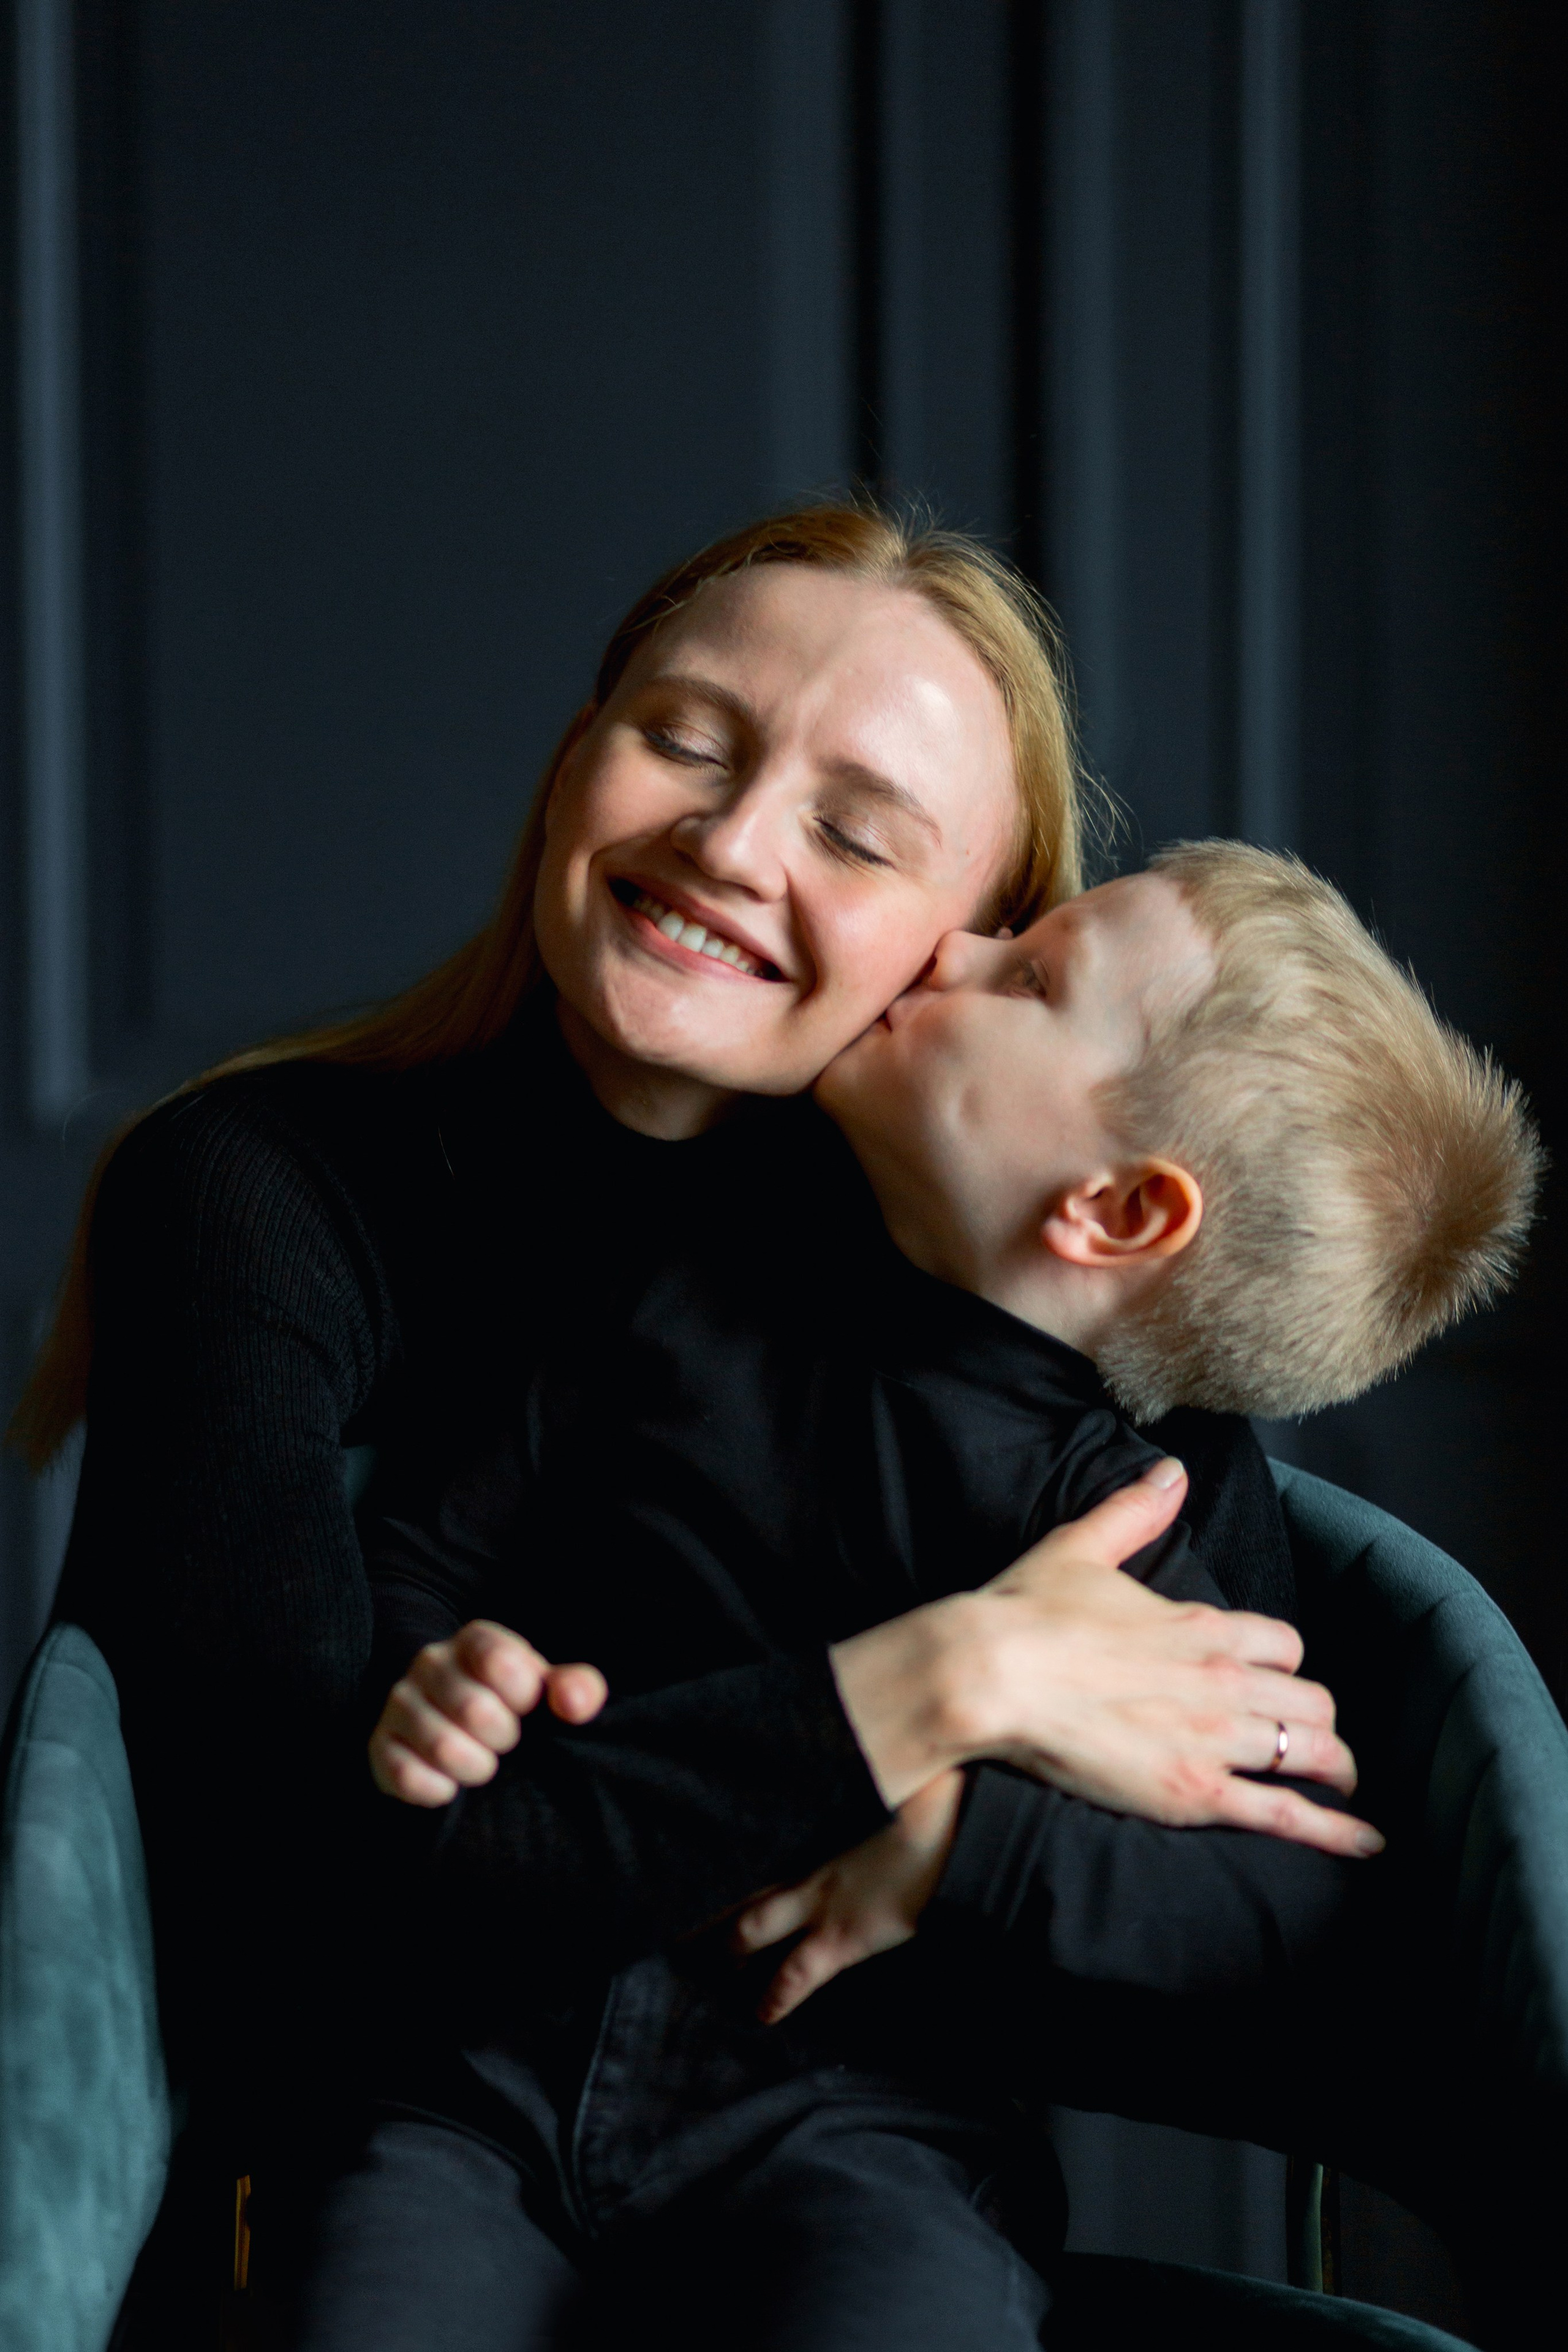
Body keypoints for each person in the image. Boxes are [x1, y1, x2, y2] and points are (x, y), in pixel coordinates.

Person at [10, 505, 1365, 2345]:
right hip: (391, 2153)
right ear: (577, 757)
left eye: (856, 830)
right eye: (684, 739)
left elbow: (1258, 1913)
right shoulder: (257, 1191)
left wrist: (958, 1856)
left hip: (841, 2179)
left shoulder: (1017, 1340)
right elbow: (279, 1896)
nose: (726, 844)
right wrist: (948, 1679)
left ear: (967, 941)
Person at [329, 842, 1534, 2352]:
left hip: (862, 2139)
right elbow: (423, 1551)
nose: (955, 946)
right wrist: (438, 1667)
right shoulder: (666, 1283)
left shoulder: (1115, 1530)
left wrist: (956, 1849)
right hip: (472, 2084)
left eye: (1028, 979)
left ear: (1113, 1213)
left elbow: (1296, 1923)